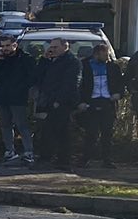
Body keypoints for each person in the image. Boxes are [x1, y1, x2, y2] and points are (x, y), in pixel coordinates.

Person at [0, 35, 38, 165]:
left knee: (22, 125)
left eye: (7, 45)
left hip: (18, 97)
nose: (5, 49)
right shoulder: (2, 59)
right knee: (5, 125)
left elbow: (32, 77)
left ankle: (28, 152)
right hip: (2, 97)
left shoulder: (26, 59)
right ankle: (10, 151)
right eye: (3, 46)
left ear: (15, 45)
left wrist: (21, 88)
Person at [32, 38, 81, 172]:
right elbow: (37, 77)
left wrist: (59, 101)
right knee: (48, 131)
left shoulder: (71, 62)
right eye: (51, 47)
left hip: (62, 103)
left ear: (65, 47)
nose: (52, 49)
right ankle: (48, 158)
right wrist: (44, 59)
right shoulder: (51, 61)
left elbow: (70, 84)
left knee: (62, 132)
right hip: (48, 100)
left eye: (56, 47)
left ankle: (62, 161)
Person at [77, 40, 125, 169]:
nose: (107, 57)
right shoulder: (85, 66)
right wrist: (81, 102)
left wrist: (118, 94)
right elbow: (79, 86)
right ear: (96, 54)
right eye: (105, 54)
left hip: (107, 102)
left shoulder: (113, 67)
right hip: (91, 103)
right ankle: (86, 158)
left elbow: (120, 84)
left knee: (107, 134)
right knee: (91, 133)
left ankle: (107, 160)